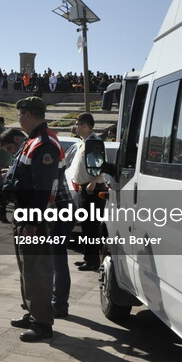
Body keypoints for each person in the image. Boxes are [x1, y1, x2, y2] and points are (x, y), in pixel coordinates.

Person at [1, 97, 62, 342]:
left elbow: (42, 187)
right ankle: (32, 311)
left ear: (27, 115)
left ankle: (42, 323)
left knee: (37, 269)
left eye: (20, 115)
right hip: (24, 213)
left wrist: (33, 222)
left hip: (34, 216)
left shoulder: (44, 142)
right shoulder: (33, 140)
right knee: (27, 267)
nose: (19, 120)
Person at [70, 113, 105, 271]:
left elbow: (102, 167)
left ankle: (93, 261)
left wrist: (93, 182)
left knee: (91, 227)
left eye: (77, 124)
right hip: (84, 189)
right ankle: (88, 257)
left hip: (92, 189)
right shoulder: (85, 142)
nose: (75, 127)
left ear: (85, 126)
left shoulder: (94, 143)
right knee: (86, 226)